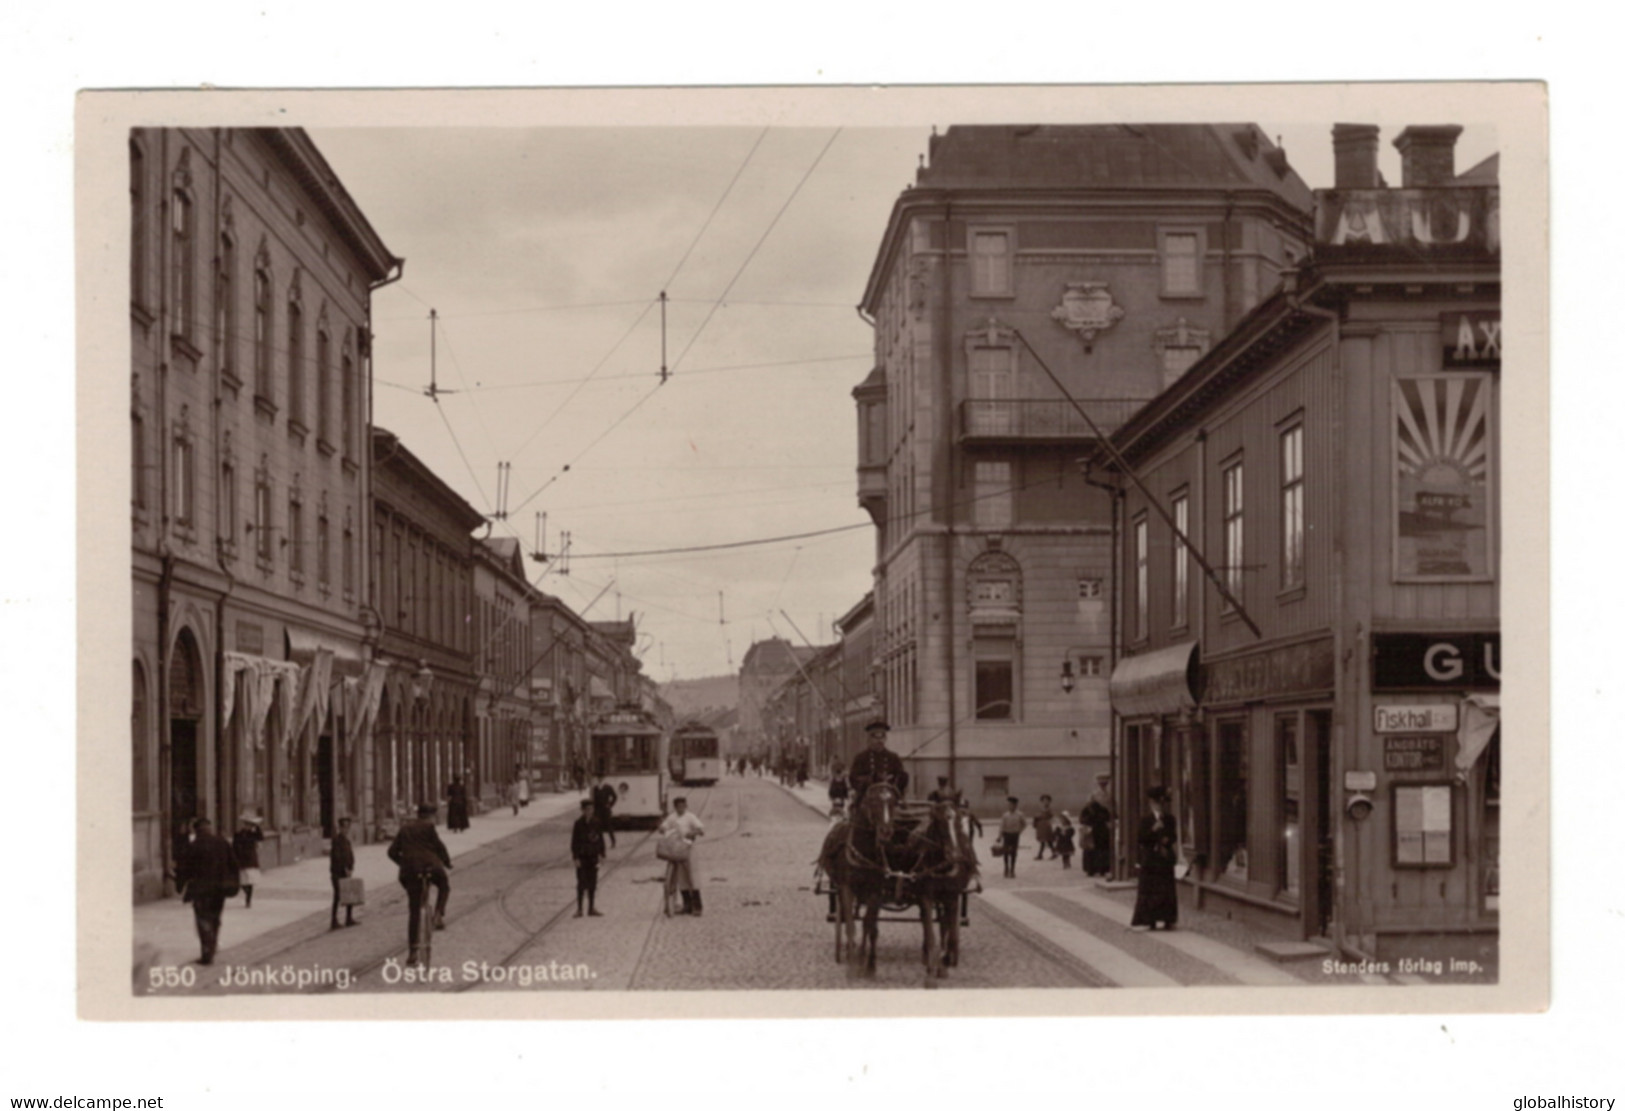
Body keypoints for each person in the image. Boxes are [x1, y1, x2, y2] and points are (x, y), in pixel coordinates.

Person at [388, 802, 453, 965]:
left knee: (414, 911)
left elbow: (391, 852)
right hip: (431, 867)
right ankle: (438, 914)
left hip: (410, 871)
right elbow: (440, 848)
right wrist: (447, 862)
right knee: (444, 885)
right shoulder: (429, 828)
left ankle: (412, 953)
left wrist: (404, 863)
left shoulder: (404, 829)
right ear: (430, 816)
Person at [174, 817, 239, 966]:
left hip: (201, 890)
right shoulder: (222, 843)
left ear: (196, 830)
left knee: (203, 920)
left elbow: (184, 868)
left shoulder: (194, 846)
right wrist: (232, 884)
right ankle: (213, 945)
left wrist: (180, 885)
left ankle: (207, 953)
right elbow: (234, 864)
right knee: (215, 918)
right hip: (219, 889)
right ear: (209, 828)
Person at [1130, 786, 1180, 931]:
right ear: (1151, 804)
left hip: (1164, 858)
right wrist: (1153, 830)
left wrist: (1167, 840)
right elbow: (1141, 838)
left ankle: (1167, 919)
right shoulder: (1146, 820)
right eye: (1156, 804)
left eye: (1161, 804)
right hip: (1150, 858)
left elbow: (1174, 836)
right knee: (1150, 889)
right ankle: (1149, 919)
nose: (1159, 807)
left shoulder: (1170, 819)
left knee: (1166, 889)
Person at [659, 796, 706, 916]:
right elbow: (664, 826)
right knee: (682, 878)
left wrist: (692, 833)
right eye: (679, 807)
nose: (681, 809)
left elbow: (701, 830)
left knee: (693, 877)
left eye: (683, 806)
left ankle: (697, 906)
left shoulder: (690, 817)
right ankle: (687, 905)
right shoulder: (672, 817)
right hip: (677, 850)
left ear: (686, 806)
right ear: (675, 807)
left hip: (689, 850)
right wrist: (663, 828)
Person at [848, 720, 909, 804]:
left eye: (882, 737)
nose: (879, 741)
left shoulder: (893, 757)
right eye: (876, 737)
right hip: (867, 799)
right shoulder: (861, 758)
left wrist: (896, 780)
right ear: (869, 738)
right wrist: (870, 779)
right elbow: (853, 779)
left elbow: (901, 779)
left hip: (889, 798)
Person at [570, 799, 607, 917]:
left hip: (593, 856)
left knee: (593, 883)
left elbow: (601, 839)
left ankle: (591, 908)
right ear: (582, 810)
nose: (589, 812)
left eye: (591, 809)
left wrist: (602, 854)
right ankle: (579, 909)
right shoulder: (578, 824)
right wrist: (575, 858)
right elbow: (574, 842)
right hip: (582, 857)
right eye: (587, 809)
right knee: (581, 883)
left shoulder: (596, 822)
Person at [1081, 773, 1115, 877]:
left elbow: (1113, 809)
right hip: (1094, 824)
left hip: (1104, 824)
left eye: (1105, 783)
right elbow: (1086, 810)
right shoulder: (1093, 794)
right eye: (1101, 783)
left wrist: (1111, 820)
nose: (1103, 785)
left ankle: (1103, 868)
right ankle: (1091, 868)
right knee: (1092, 847)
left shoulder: (1111, 794)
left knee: (1104, 847)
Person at [329, 816, 357, 929]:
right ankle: (334, 920)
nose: (346, 829)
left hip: (346, 873)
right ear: (339, 828)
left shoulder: (347, 841)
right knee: (337, 897)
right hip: (337, 873)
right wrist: (344, 868)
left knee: (349, 895)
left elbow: (351, 856)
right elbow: (337, 857)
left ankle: (349, 918)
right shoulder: (336, 841)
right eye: (344, 827)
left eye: (348, 827)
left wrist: (351, 868)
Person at [232, 813, 264, 908]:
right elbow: (234, 846)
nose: (247, 826)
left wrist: (257, 826)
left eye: (249, 825)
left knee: (250, 881)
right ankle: (246, 893)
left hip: (250, 860)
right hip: (240, 859)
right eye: (246, 824)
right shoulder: (237, 834)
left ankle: (248, 900)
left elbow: (261, 837)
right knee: (241, 881)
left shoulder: (253, 835)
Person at [997, 797, 1026, 879]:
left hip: (1015, 836)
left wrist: (1019, 831)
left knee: (1013, 853)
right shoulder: (1005, 815)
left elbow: (1024, 824)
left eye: (1012, 805)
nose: (1010, 806)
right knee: (1006, 853)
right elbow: (1001, 826)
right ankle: (1006, 868)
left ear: (1016, 805)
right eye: (1009, 804)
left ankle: (1012, 870)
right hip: (1007, 835)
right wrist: (999, 836)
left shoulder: (1020, 814)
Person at [592, 777, 619, 848]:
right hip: (598, 810)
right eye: (598, 780)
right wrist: (593, 811)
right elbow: (594, 800)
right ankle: (596, 843)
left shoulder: (608, 787)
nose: (599, 781)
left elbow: (615, 797)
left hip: (606, 810)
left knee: (609, 827)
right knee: (596, 827)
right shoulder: (595, 788)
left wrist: (610, 805)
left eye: (600, 780)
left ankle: (613, 842)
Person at [1033, 795, 1056, 861]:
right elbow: (1036, 816)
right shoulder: (1040, 809)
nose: (1045, 802)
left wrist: (1049, 821)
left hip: (1046, 826)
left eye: (1047, 801)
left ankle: (1040, 855)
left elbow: (1052, 817)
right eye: (1044, 801)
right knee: (1045, 841)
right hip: (1041, 826)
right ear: (1042, 801)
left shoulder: (1049, 809)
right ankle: (1053, 853)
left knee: (1047, 840)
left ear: (1049, 802)